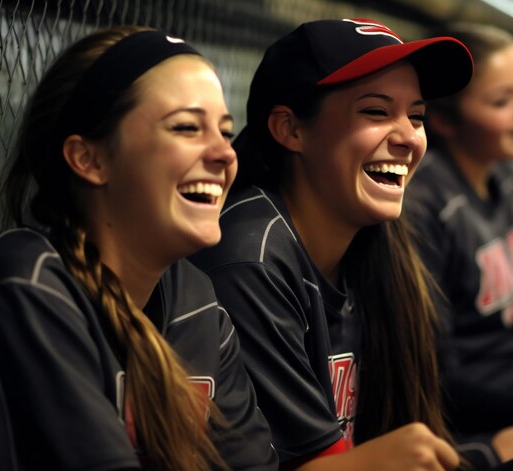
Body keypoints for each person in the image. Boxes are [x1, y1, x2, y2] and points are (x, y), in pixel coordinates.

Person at [0, 26, 277, 470]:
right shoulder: (24, 288)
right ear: (89, 159)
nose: (225, 154)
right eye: (186, 127)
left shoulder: (197, 303)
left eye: (225, 131)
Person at [190, 18, 473, 470]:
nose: (407, 138)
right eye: (376, 112)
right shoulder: (252, 259)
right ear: (291, 129)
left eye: (416, 116)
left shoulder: (375, 245)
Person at [404, 23, 513, 466]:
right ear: (443, 120)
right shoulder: (424, 206)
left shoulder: (504, 181)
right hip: (487, 425)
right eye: (502, 101)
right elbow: (435, 381)